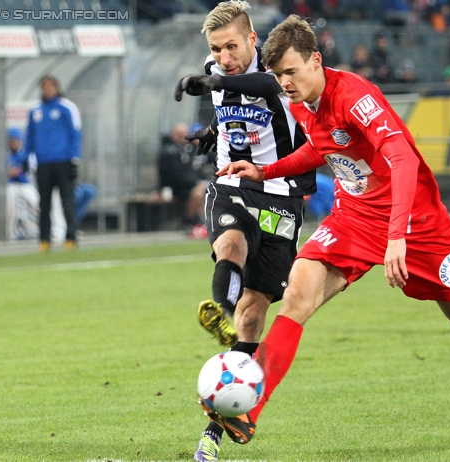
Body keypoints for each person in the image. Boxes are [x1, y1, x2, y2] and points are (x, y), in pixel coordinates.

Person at [212, 14, 450, 453]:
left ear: (316, 60)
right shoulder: (302, 100)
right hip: (353, 217)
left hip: (415, 222)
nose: (284, 82)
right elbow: (323, 149)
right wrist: (266, 170)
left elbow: (404, 160)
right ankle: (250, 406)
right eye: (279, 75)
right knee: (298, 296)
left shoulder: (355, 96)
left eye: (291, 72)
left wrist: (397, 236)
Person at [172, 2, 316, 460]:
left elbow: (263, 88)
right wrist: (209, 135)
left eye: (231, 46)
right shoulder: (216, 70)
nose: (223, 56)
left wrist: (217, 80)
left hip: (282, 194)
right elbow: (234, 111)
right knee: (230, 244)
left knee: (254, 316)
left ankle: (217, 426)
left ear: (252, 40)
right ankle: (221, 310)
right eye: (215, 50)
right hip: (232, 181)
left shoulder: (278, 68)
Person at [25, 75, 82, 252]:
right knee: (44, 204)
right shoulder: (35, 110)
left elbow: (76, 134)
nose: (48, 90)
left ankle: (71, 237)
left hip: (63, 162)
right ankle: (44, 239)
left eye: (51, 86)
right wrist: (27, 158)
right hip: (43, 163)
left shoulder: (67, 107)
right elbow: (30, 137)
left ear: (57, 87)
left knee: (67, 201)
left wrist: (74, 159)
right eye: (44, 87)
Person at [157, 122, 208, 233]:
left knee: (205, 190)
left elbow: (200, 167)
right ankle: (190, 220)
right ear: (174, 135)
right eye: (180, 134)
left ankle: (202, 221)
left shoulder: (192, 150)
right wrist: (163, 189)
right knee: (198, 193)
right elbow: (168, 174)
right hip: (178, 187)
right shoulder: (169, 152)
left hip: (193, 184)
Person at [6, 128, 39, 241]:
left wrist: (16, 172)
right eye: (11, 140)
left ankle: (34, 231)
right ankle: (10, 234)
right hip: (9, 186)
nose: (14, 142)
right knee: (10, 198)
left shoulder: (25, 155)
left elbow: (27, 171)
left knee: (35, 201)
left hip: (24, 185)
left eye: (16, 140)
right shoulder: (2, 156)